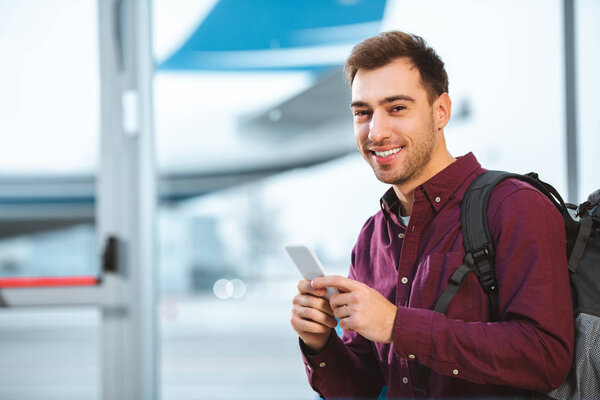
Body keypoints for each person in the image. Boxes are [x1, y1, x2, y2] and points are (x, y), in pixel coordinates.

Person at [290, 31, 574, 399]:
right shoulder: (373, 237)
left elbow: (547, 358)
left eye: (397, 108)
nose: (376, 131)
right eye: (363, 112)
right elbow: (361, 387)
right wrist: (320, 344)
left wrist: (397, 325)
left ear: (441, 111)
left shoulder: (514, 206)